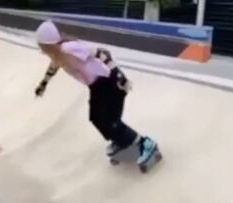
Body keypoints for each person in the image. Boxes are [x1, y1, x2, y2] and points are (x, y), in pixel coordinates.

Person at [34, 20, 159, 165]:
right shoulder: (57, 56)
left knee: (110, 121)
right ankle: (121, 140)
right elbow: (53, 68)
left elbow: (101, 52)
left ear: (49, 44)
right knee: (96, 118)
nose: (42, 50)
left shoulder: (69, 48)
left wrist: (119, 75)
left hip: (109, 81)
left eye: (42, 47)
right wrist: (43, 84)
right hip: (96, 87)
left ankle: (145, 144)